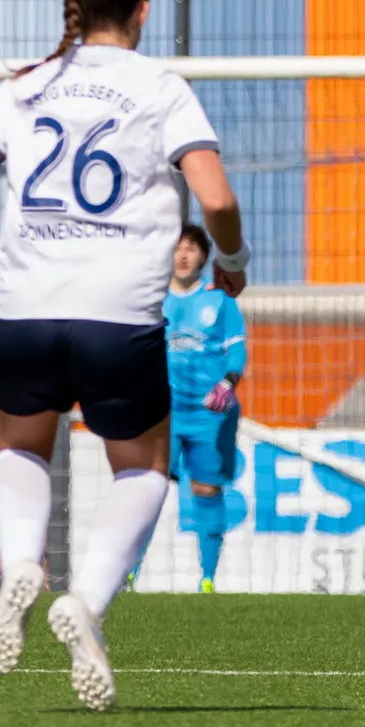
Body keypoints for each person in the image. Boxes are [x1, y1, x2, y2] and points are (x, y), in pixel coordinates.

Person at [0, 0, 249, 710]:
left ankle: (23, 563)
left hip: (23, 309)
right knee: (144, 469)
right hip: (117, 316)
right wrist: (233, 257)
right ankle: (84, 599)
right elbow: (217, 198)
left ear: (76, 7)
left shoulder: (26, 83)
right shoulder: (160, 86)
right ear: (142, 11)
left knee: (21, 445)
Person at [127, 224, 246, 593]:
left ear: (203, 258)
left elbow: (237, 352)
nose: (182, 255)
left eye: (191, 248)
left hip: (208, 416)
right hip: (162, 414)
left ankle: (207, 578)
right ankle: (128, 572)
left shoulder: (220, 301)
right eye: (177, 247)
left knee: (207, 491)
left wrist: (228, 382)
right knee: (148, 488)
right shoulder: (152, 300)